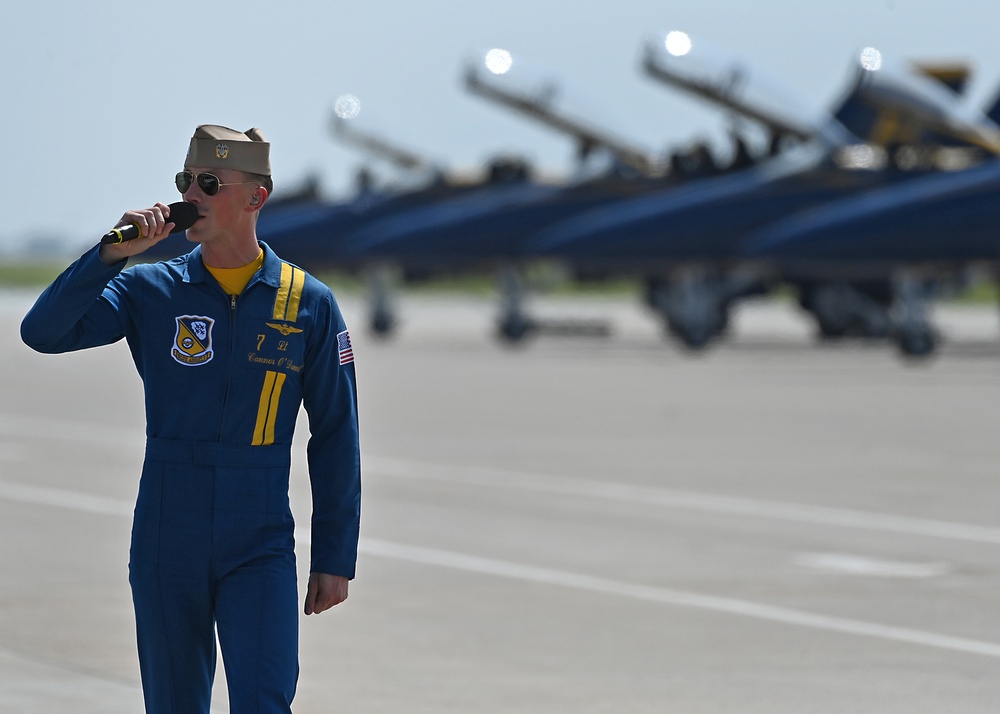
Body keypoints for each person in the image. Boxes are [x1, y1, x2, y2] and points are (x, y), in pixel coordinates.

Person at [20, 125, 361, 713]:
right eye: (185, 182)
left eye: (210, 184)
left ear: (256, 197)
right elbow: (42, 333)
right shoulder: (148, 288)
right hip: (166, 532)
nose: (191, 196)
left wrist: (334, 556)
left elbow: (335, 435)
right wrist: (108, 254)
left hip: (257, 537)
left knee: (263, 699)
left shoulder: (307, 303)